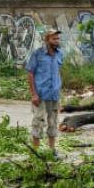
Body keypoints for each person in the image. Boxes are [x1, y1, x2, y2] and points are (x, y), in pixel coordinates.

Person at [26, 28, 64, 157]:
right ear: (47, 40)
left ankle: (52, 150)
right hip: (40, 95)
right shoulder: (38, 54)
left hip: (54, 95)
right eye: (54, 38)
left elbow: (57, 72)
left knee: (53, 121)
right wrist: (34, 94)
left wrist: (59, 93)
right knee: (38, 121)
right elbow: (30, 73)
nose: (57, 41)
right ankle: (35, 152)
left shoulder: (59, 54)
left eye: (58, 38)